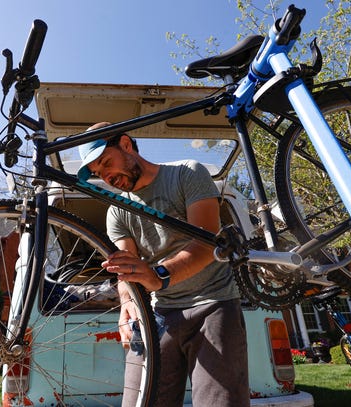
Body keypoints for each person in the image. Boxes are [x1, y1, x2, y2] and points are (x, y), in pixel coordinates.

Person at [77, 122, 250, 407]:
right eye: (98, 173)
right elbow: (124, 267)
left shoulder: (187, 173)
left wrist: (159, 275)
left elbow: (207, 245)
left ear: (126, 144)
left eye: (106, 162)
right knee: (139, 402)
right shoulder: (117, 212)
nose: (107, 176)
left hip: (214, 304)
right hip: (159, 313)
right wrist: (127, 301)